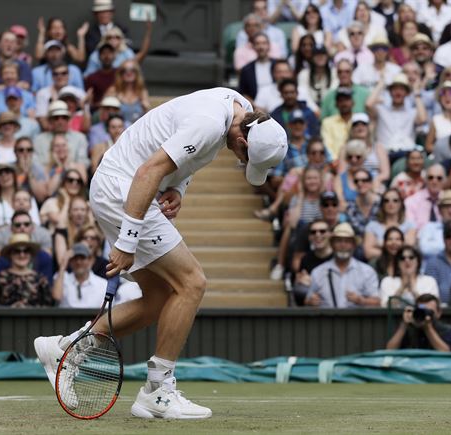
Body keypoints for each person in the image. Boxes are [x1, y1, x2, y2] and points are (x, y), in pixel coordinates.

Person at [34, 87, 287, 419]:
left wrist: (178, 187)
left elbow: (185, 156)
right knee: (192, 283)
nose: (242, 162)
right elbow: (147, 172)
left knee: (160, 299)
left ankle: (65, 349)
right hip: (124, 187)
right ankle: (157, 390)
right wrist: (126, 243)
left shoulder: (239, 109)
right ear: (243, 143)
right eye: (246, 159)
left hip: (125, 185)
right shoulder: (211, 122)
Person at [305, 223, 380, 308]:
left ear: (354, 245)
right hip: (327, 320)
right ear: (332, 245)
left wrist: (361, 300)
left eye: (347, 241)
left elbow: (377, 302)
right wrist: (311, 301)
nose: (343, 245)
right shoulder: (318, 272)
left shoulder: (367, 272)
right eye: (339, 241)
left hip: (357, 320)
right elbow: (308, 300)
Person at [0, 233, 53, 307]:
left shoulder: (40, 279)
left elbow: (47, 307)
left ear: (31, 254)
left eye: (26, 251)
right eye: (17, 251)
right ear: (10, 254)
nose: (22, 255)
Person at [0, 211, 54, 284]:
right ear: (11, 228)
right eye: (18, 225)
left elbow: (48, 286)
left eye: (26, 224)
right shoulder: (3, 259)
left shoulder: (44, 257)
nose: (22, 227)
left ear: (32, 227)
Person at [386, 294, 451, 351]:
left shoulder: (447, 330)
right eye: (422, 311)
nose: (425, 314)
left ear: (439, 313)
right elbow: (389, 350)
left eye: (429, 312)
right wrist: (403, 325)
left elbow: (446, 352)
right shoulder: (409, 329)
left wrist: (428, 329)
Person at [33, 101, 90, 170]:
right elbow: (36, 164)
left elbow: (83, 162)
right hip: (46, 177)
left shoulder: (80, 138)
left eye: (64, 117)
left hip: (72, 176)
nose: (60, 121)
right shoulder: (39, 140)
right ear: (50, 120)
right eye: (56, 118)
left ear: (68, 120)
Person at [0, 164, 40, 230]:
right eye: (0, 174)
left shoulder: (26, 196)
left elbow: (36, 223)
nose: (4, 176)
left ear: (14, 175)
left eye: (7, 172)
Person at [363, 188, 416, 261]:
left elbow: (409, 247)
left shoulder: (409, 225)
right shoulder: (372, 226)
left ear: (401, 203)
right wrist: (397, 247)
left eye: (395, 200)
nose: (391, 203)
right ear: (382, 204)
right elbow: (368, 253)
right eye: (386, 200)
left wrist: (378, 243)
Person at [52, 242, 107, 308]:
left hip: (95, 318)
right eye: (75, 258)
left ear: (90, 260)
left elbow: (106, 312)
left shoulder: (103, 284)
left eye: (82, 258)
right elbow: (56, 297)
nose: (78, 262)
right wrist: (63, 265)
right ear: (70, 261)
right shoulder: (62, 278)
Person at [424, 221, 451, 304]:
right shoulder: (433, 263)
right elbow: (429, 292)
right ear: (443, 239)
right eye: (448, 236)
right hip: (441, 311)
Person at [292, 219, 333, 305]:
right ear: (309, 237)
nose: (317, 235)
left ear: (330, 234)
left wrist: (313, 282)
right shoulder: (306, 259)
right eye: (313, 232)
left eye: (322, 231)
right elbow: (302, 286)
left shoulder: (337, 258)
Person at [405, 164, 446, 231]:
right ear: (425, 180)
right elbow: (410, 228)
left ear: (444, 181)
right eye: (430, 178)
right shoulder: (411, 201)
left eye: (439, 178)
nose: (434, 181)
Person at [321, 87, 354, 158]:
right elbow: (327, 146)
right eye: (340, 100)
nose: (344, 103)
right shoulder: (327, 122)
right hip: (335, 164)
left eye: (347, 100)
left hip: (357, 161)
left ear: (353, 102)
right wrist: (335, 161)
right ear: (336, 104)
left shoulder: (359, 121)